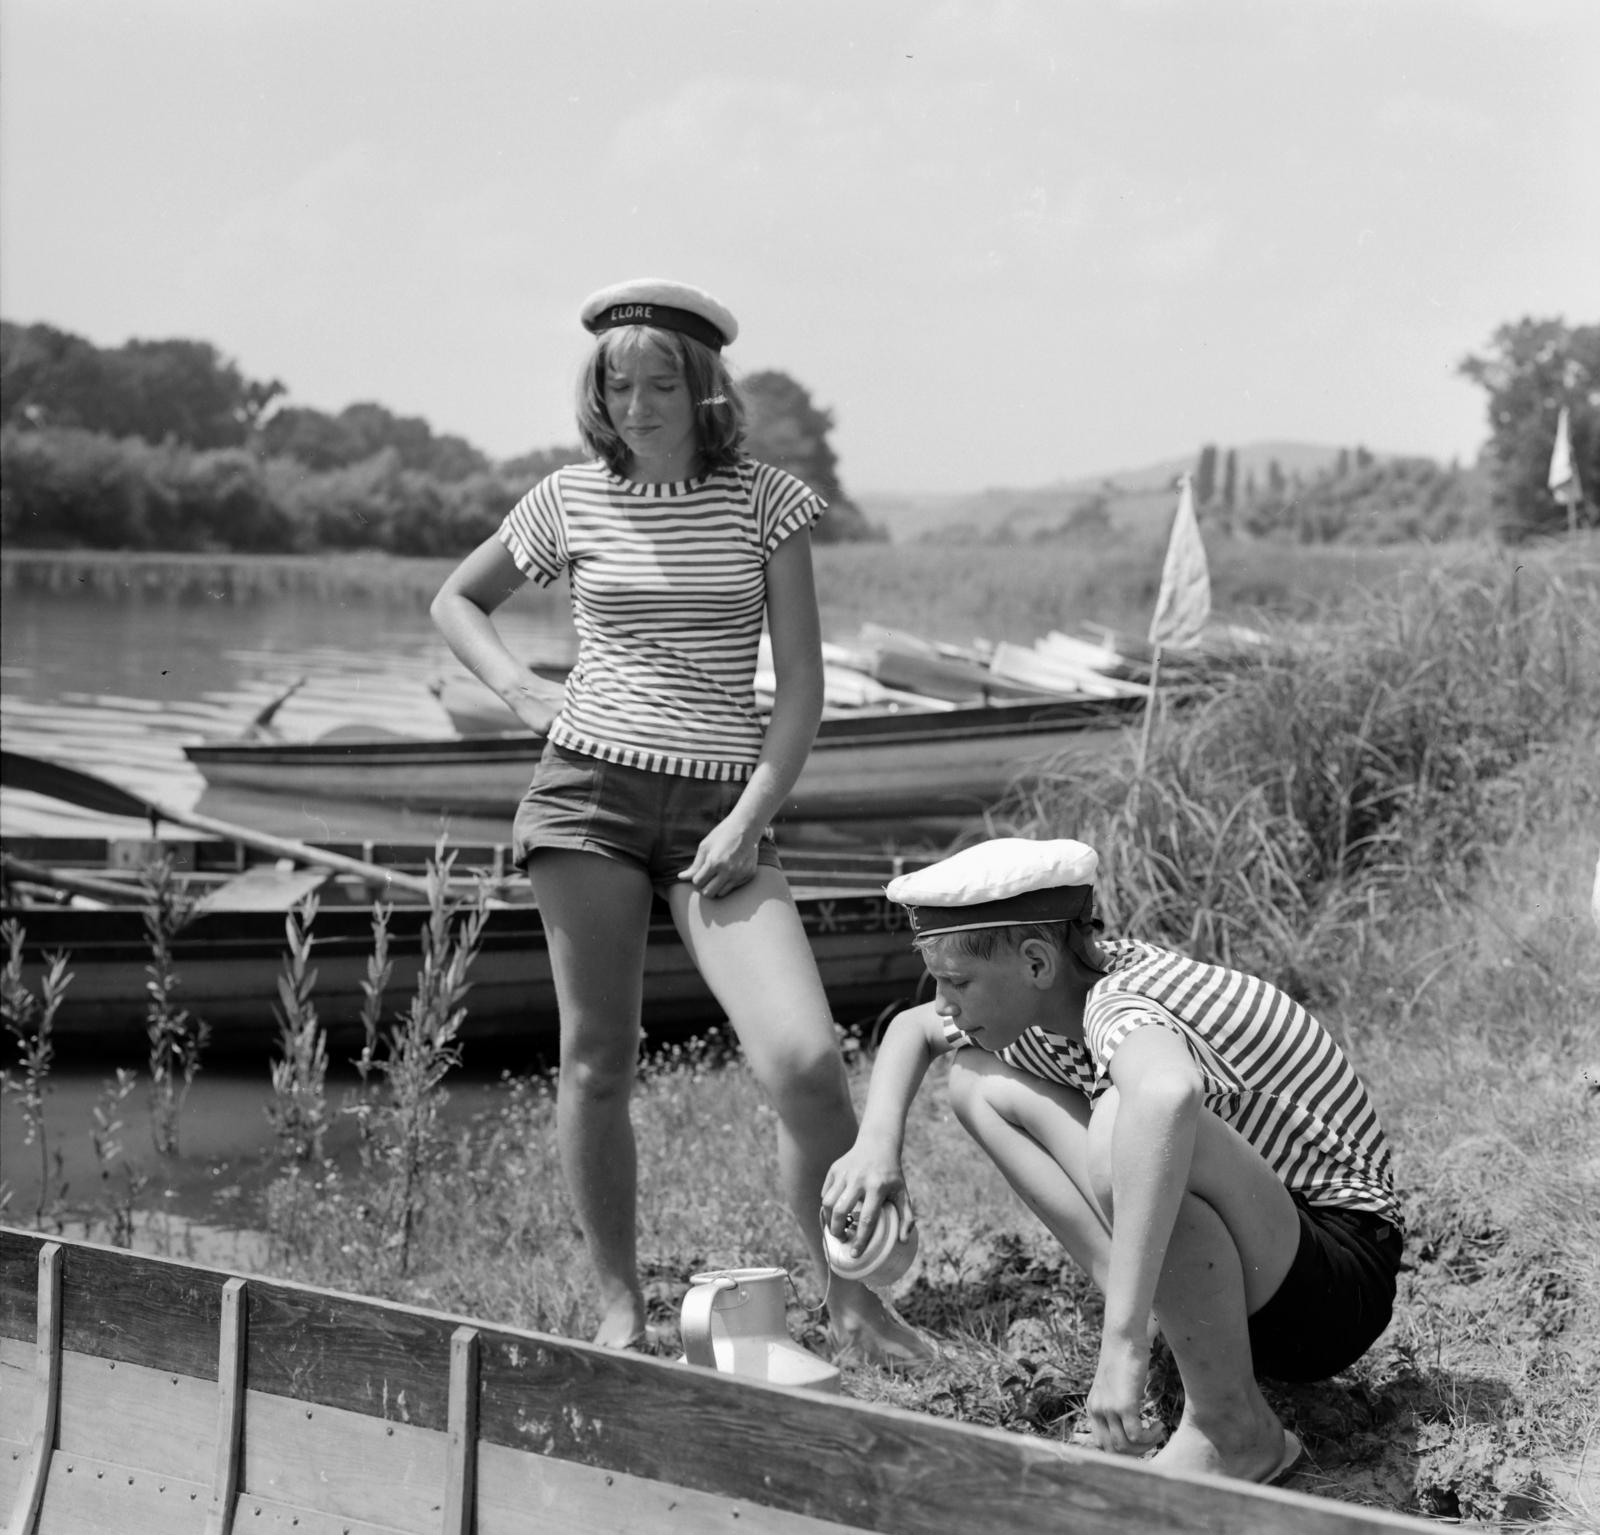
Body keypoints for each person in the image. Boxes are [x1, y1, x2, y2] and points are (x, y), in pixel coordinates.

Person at [431, 278, 929, 1364]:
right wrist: (525, 695)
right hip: (587, 800)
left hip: (722, 807)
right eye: (620, 382)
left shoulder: (765, 502)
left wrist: (752, 815)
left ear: (704, 389)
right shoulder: (567, 499)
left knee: (803, 1060)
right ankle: (621, 1303)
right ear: (596, 394)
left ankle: (852, 1301)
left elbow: (798, 685)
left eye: (664, 380)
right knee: (597, 1059)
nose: (641, 401)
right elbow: (456, 600)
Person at [822, 837, 1403, 1483]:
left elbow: (1167, 1092)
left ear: (1037, 961)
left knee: (1123, 1121)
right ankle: (1169, 1319)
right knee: (976, 1081)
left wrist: (1117, 1345)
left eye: (956, 981)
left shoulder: (1120, 1002)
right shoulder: (1051, 994)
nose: (943, 1001)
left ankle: (1232, 1427)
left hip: (1334, 1285)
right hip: (1269, 1264)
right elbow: (914, 1028)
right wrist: (877, 1143)